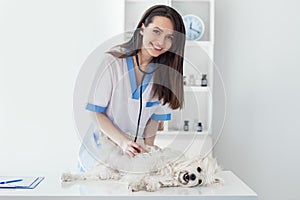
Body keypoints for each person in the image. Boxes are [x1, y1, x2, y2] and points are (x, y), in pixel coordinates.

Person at [78, 5, 186, 172]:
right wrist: (123, 142)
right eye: (156, 31)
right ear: (142, 28)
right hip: (100, 156)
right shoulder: (112, 62)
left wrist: (148, 150)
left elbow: (154, 120)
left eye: (169, 37)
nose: (161, 42)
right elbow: (95, 113)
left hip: (132, 160)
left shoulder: (165, 74)